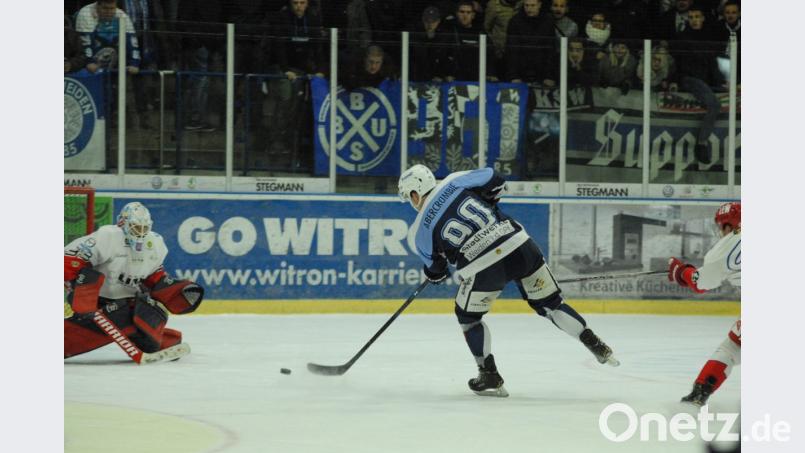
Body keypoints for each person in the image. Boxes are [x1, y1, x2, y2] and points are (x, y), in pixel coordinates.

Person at [398, 165, 619, 397]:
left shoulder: (419, 233)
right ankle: (594, 342)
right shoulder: (455, 180)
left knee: (468, 317)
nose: (411, 203)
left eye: (409, 198)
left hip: (482, 268)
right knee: (552, 304)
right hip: (520, 246)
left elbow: (437, 270)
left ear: (415, 194)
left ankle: (488, 374)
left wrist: (433, 273)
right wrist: (489, 201)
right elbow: (496, 179)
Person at [64, 202, 204, 360]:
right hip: (94, 302)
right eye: (137, 227)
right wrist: (80, 291)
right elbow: (69, 261)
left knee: (148, 315)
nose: (141, 233)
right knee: (117, 318)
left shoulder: (155, 243)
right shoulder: (108, 237)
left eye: (145, 228)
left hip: (127, 302)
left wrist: (172, 288)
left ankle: (166, 341)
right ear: (123, 223)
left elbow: (154, 277)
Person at [668, 202, 741, 406]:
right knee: (734, 346)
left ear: (729, 224)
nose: (721, 231)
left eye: (721, 226)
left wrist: (681, 272)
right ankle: (700, 391)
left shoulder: (731, 242)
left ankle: (700, 393)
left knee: (731, 349)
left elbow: (701, 283)